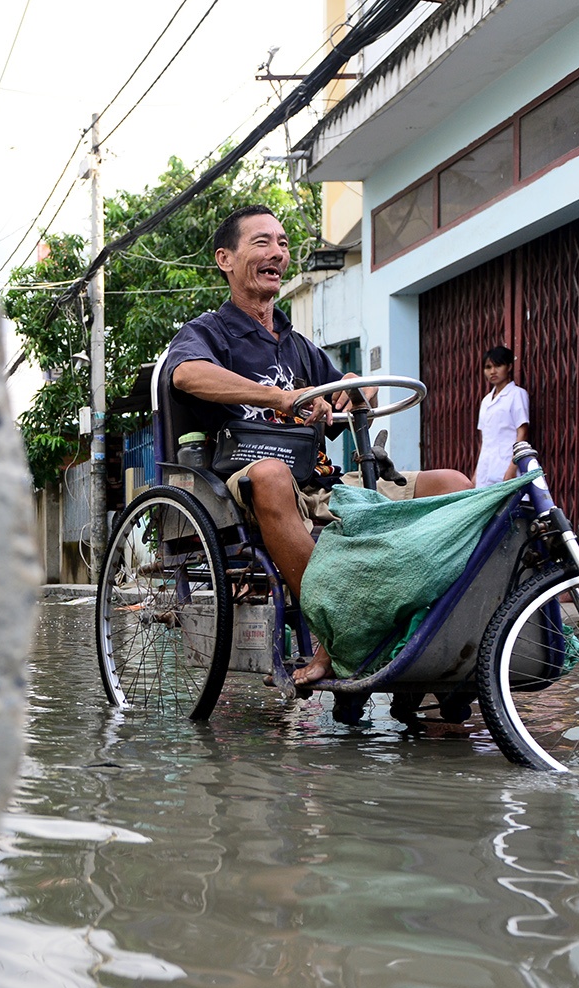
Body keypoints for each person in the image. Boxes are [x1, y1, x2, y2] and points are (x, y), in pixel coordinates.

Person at [162, 204, 473, 685]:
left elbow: (354, 394)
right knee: (270, 473)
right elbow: (185, 373)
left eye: (283, 243)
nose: (278, 252)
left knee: (451, 483)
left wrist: (354, 385)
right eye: (262, 241)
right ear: (225, 259)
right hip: (248, 483)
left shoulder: (297, 343)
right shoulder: (207, 332)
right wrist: (277, 397)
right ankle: (339, 639)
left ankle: (439, 642)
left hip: (322, 482)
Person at [472, 345, 531, 487]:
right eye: (488, 367)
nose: (492, 371)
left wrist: (512, 467)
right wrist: (477, 472)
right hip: (486, 468)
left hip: (506, 465)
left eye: (498, 366)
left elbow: (522, 432)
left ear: (509, 367)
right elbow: (485, 439)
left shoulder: (517, 394)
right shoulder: (486, 401)